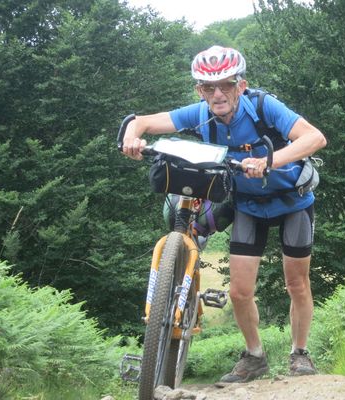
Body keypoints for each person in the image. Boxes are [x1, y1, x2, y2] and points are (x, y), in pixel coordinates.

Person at [121, 45, 327, 382]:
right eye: (208, 87)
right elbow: (143, 122)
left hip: (292, 202)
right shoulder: (201, 113)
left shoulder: (263, 106)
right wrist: (132, 136)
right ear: (198, 90)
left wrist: (269, 161)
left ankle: (299, 354)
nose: (218, 94)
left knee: (296, 284)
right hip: (248, 205)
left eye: (226, 85)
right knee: (239, 292)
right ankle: (254, 357)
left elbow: (315, 138)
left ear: (240, 85)